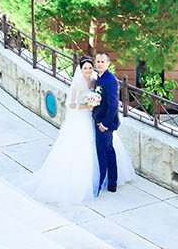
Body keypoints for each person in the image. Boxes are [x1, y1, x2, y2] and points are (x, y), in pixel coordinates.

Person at [29, 56, 134, 205]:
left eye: (91, 67)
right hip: (84, 118)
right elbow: (71, 103)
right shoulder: (80, 82)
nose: (89, 69)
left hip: (98, 121)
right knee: (90, 150)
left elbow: (111, 103)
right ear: (80, 69)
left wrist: (98, 112)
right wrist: (88, 105)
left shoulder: (98, 79)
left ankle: (109, 182)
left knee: (105, 150)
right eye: (86, 68)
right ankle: (99, 181)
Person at [92, 49, 121, 193]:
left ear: (108, 63)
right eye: (98, 61)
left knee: (105, 152)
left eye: (103, 61)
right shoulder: (100, 78)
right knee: (107, 151)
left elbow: (114, 105)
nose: (100, 64)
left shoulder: (110, 80)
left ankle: (106, 183)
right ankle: (110, 183)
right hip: (99, 121)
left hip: (104, 124)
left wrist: (105, 124)